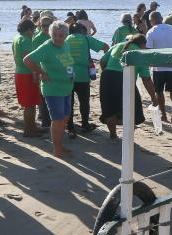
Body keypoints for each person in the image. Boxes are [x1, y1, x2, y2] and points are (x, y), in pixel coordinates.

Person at [25, 20, 75, 158]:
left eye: (61, 35)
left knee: (65, 117)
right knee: (57, 119)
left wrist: (71, 75)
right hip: (53, 89)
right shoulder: (47, 47)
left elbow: (68, 61)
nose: (58, 38)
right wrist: (41, 72)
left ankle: (60, 145)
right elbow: (27, 60)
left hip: (66, 87)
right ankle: (57, 149)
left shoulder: (65, 44)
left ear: (66, 35)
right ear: (51, 34)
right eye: (55, 35)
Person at [99, 34, 153, 139]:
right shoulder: (141, 53)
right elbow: (146, 79)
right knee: (131, 109)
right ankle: (128, 138)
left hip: (107, 76)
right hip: (125, 79)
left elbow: (102, 61)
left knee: (109, 108)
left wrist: (106, 73)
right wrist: (153, 98)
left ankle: (113, 135)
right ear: (143, 45)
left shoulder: (118, 45)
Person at [65, 22, 109, 134]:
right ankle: (85, 124)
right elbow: (105, 47)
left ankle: (70, 127)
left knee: (69, 102)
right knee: (84, 102)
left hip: (68, 74)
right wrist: (104, 62)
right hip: (83, 75)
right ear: (83, 31)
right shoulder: (86, 38)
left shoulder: (65, 39)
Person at [145, 11, 172, 123]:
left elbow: (148, 50)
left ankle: (163, 114)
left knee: (159, 91)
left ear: (151, 21)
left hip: (158, 67)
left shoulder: (151, 32)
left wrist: (150, 62)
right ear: (161, 18)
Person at [12, 18, 43, 137]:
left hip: (20, 72)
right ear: (29, 29)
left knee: (30, 103)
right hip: (27, 74)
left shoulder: (17, 38)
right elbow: (27, 59)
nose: (34, 32)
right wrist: (36, 72)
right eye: (33, 29)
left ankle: (32, 127)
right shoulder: (25, 40)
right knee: (30, 104)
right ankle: (29, 130)